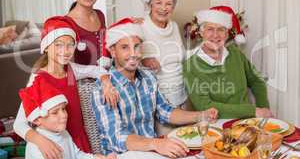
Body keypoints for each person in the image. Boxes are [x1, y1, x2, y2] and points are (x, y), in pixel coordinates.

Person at [92, 18, 218, 158]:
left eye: (137, 46)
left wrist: (201, 115)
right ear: (113, 51)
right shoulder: (103, 88)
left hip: (153, 151)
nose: (133, 53)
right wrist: (156, 144)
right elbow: (116, 137)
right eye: (125, 47)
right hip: (123, 155)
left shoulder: (148, 77)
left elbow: (165, 110)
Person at [13, 16, 115, 158]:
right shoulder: (38, 79)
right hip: (54, 142)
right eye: (59, 45)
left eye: (70, 45)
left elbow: (98, 70)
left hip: (79, 142)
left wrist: (106, 83)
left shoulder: (72, 70)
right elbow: (18, 124)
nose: (66, 51)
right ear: (46, 47)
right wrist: (41, 142)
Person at [183, 6, 273, 119]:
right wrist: (252, 111)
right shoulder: (190, 66)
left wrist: (264, 109)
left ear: (226, 34)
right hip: (215, 125)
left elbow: (256, 80)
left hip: (247, 122)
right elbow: (205, 106)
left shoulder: (235, 53)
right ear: (201, 33)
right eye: (210, 29)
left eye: (221, 29)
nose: (215, 35)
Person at [19, 76, 116, 159]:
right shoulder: (36, 148)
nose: (64, 115)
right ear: (36, 120)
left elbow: (77, 155)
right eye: (55, 113)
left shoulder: (63, 133)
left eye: (63, 109)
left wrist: (95, 157)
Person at [140, 0, 188, 135]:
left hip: (181, 95)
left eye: (168, 4)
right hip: (158, 101)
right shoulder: (140, 26)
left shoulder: (173, 26)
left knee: (186, 142)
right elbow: (123, 54)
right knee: (168, 145)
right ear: (150, 3)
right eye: (159, 3)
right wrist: (143, 59)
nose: (163, 8)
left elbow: (180, 56)